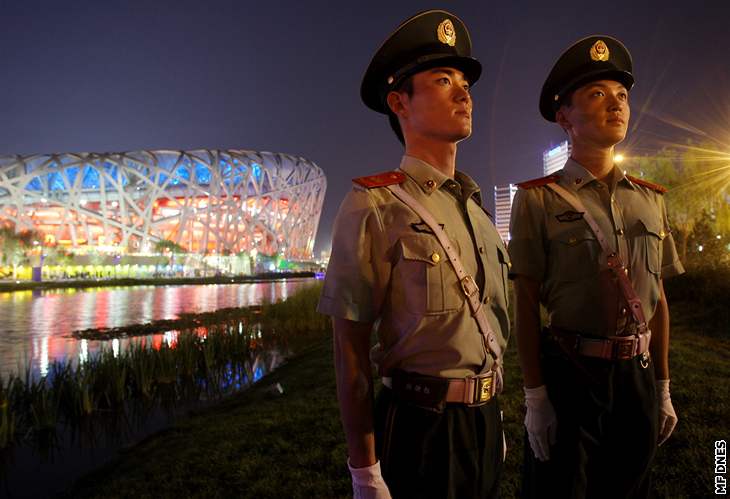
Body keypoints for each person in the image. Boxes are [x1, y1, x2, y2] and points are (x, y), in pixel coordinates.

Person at [317, 10, 510, 499]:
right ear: (399, 102)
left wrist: (493, 418)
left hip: (485, 422)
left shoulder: (476, 210)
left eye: (464, 82)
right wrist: (365, 470)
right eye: (443, 80)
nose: (464, 93)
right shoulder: (375, 205)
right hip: (420, 431)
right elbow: (350, 352)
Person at [508, 35, 685, 498]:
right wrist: (535, 396)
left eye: (622, 95)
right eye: (597, 94)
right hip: (571, 373)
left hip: (638, 374)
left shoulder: (650, 200)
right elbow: (525, 303)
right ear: (564, 116)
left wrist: (662, 386)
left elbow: (658, 301)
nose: (616, 104)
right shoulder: (537, 199)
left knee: (631, 487)